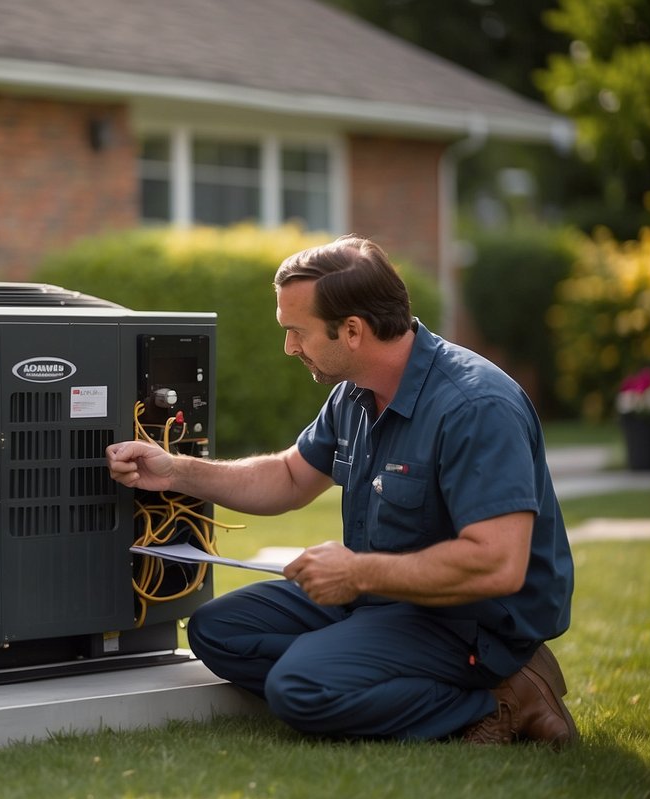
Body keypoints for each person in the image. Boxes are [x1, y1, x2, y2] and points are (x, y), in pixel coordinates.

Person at [107, 235, 577, 746]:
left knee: (299, 690)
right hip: (380, 594)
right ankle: (369, 670)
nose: (288, 347)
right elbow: (289, 477)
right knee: (217, 631)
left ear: (352, 330)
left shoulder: (476, 406)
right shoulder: (353, 395)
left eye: (296, 332)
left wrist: (355, 571)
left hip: (469, 618)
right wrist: (175, 471)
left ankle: (505, 697)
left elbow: (498, 564)